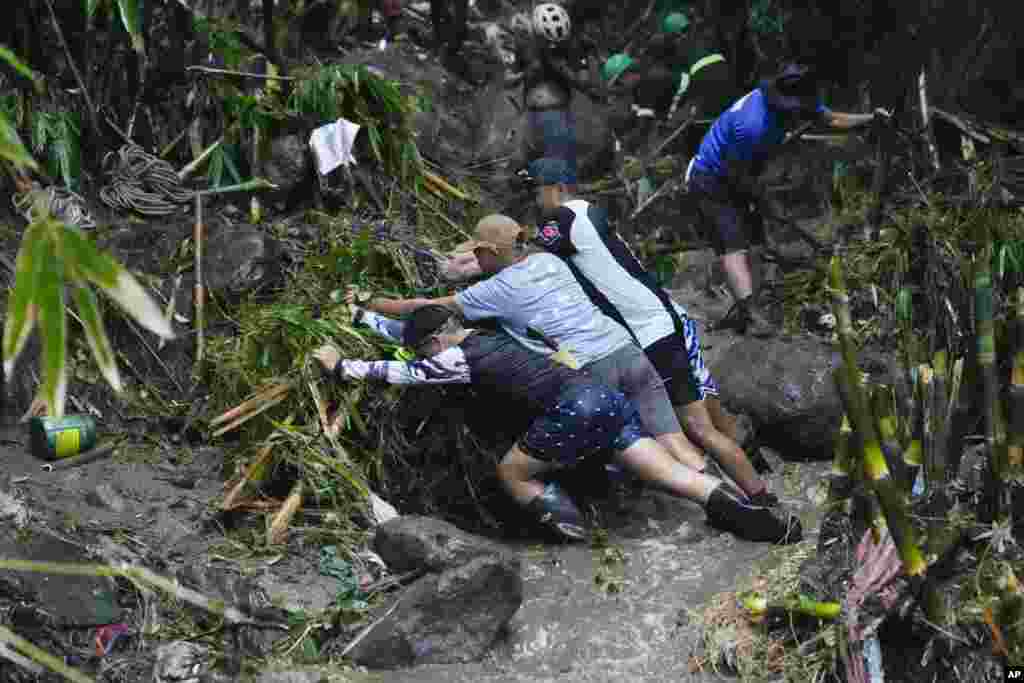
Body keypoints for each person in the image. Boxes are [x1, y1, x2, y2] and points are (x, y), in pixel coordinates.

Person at [313, 302, 802, 544]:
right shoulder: (486, 334)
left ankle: (579, 538)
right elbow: (409, 334)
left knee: (512, 472)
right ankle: (751, 517)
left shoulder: (453, 357)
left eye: (427, 347)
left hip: (575, 409)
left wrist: (342, 367)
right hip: (602, 398)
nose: (426, 354)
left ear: (440, 340)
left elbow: (404, 372)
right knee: (676, 477)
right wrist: (361, 314)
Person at [356, 214, 712, 475]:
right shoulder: (549, 260)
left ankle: (648, 506)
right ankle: (725, 496)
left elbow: (427, 310)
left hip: (591, 368)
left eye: (478, 254)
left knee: (631, 451)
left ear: (491, 253)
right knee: (674, 440)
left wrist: (370, 303)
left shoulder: (496, 290)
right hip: (627, 351)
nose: (476, 261)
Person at [527, 157, 775, 506]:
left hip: (648, 332)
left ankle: (740, 505)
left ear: (559, 189)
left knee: (693, 430)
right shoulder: (589, 213)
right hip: (660, 320)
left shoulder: (564, 217)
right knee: (701, 424)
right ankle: (762, 496)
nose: (534, 200)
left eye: (536, 191)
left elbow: (527, 260)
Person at [686, 63, 891, 336]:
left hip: (742, 172)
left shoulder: (797, 100)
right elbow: (737, 176)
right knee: (732, 243)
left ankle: (751, 300)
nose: (798, 115)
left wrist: (870, 119)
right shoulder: (751, 124)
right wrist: (764, 200)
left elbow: (832, 120)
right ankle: (750, 314)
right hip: (711, 178)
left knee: (756, 242)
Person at [508, 2, 604, 192]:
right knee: (518, 169)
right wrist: (526, 73)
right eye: (547, 42)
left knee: (557, 172)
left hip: (557, 114)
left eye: (557, 42)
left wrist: (563, 68)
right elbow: (507, 79)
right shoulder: (525, 48)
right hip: (529, 113)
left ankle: (554, 201)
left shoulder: (572, 48)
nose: (553, 46)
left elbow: (584, 82)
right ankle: (524, 199)